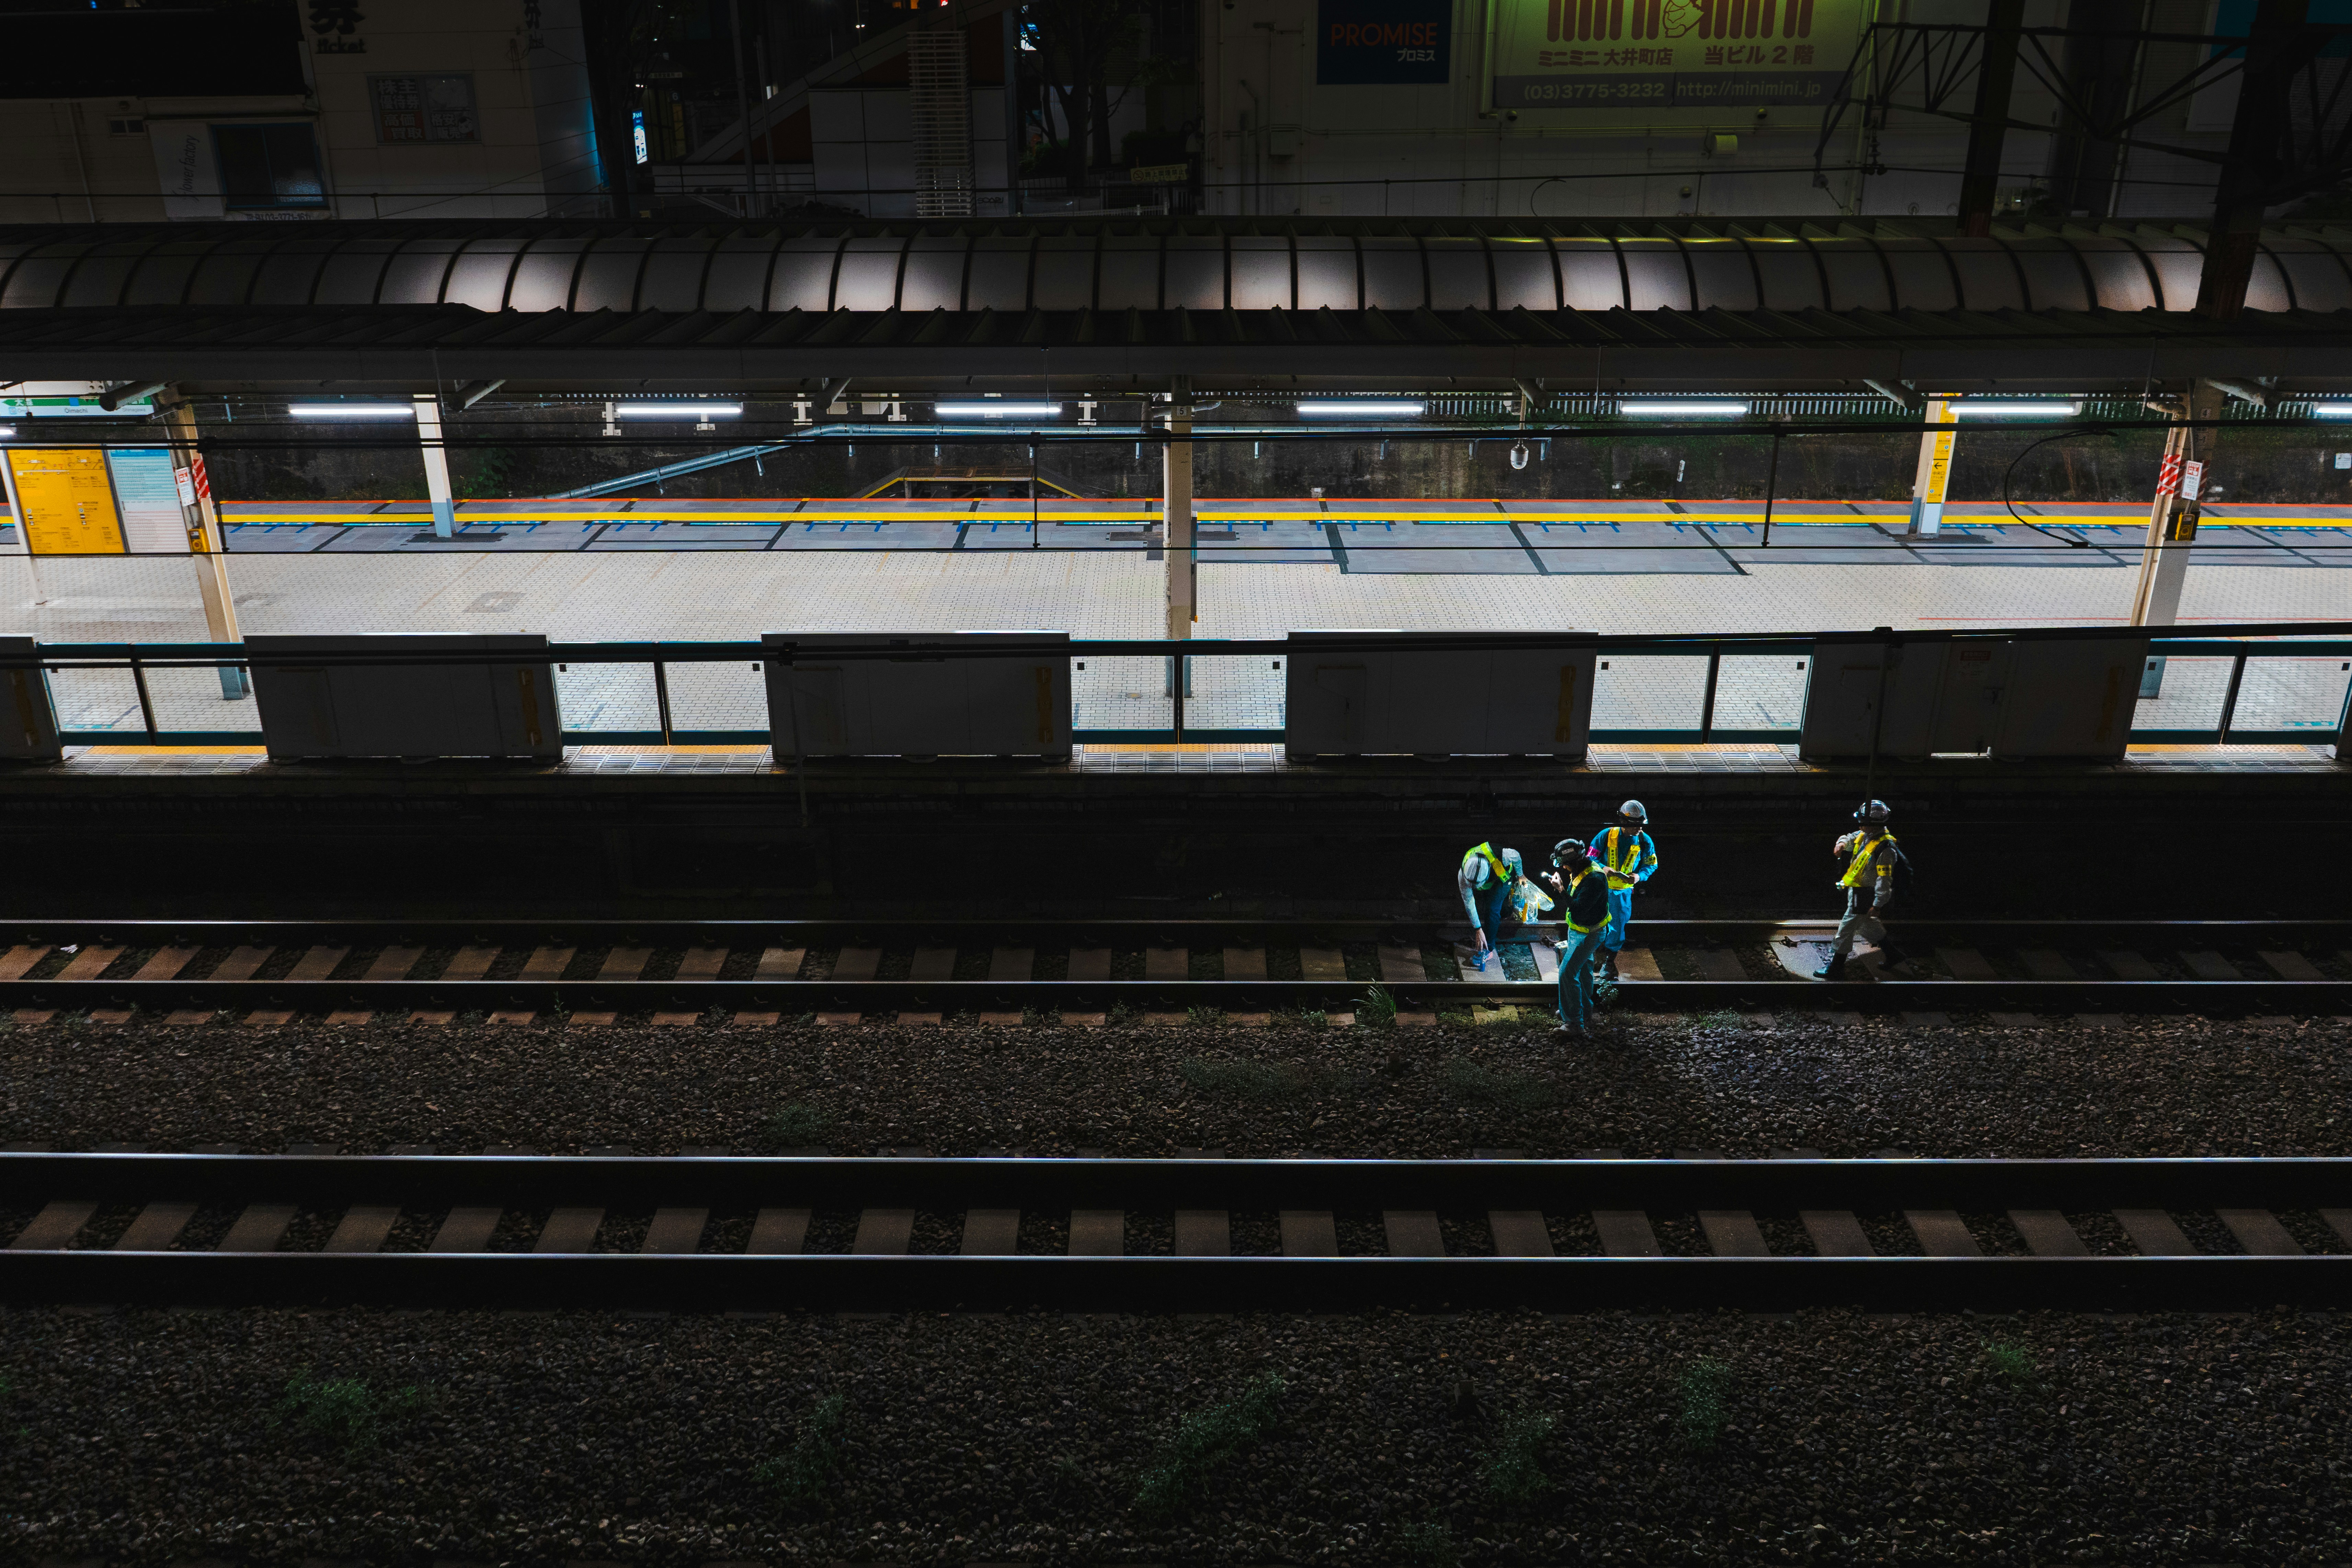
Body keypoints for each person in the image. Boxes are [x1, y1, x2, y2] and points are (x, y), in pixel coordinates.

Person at [1816, 799, 1911, 981]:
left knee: (1846, 930)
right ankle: (1893, 954)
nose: (1859, 825)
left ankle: (1836, 968)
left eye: (1863, 822)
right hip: (1858, 892)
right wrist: (1841, 843)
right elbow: (1850, 837)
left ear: (1874, 824)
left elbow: (1885, 880)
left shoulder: (1886, 849)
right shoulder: (1866, 835)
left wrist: (1878, 904)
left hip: (1865, 895)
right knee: (1868, 926)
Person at [1540, 838, 1613, 1035]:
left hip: (1588, 935)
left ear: (1574, 862)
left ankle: (1574, 1023)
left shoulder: (1594, 879)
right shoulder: (1585, 868)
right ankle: (1584, 1012)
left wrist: (1560, 889)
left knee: (1567, 973)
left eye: (1565, 864)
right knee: (1583, 971)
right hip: (1582, 931)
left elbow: (1578, 909)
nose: (1563, 868)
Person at [1588, 798, 1659, 981]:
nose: (1639, 829)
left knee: (1617, 927)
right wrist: (1602, 868)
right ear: (1623, 821)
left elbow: (1651, 864)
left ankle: (1609, 962)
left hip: (1622, 892)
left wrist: (1639, 877)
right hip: (1600, 888)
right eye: (1635, 825)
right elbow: (1590, 858)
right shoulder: (1606, 835)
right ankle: (1593, 955)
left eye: (1641, 825)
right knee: (1594, 922)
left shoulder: (1644, 840)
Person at [1457, 840, 1526, 972]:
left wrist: (1521, 874)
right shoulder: (1464, 874)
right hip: (1491, 877)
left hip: (1503, 877)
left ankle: (1488, 949)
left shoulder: (1503, 857)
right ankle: (1503, 914)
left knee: (1493, 909)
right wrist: (1478, 929)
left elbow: (1516, 855)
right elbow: (1469, 902)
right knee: (1487, 905)